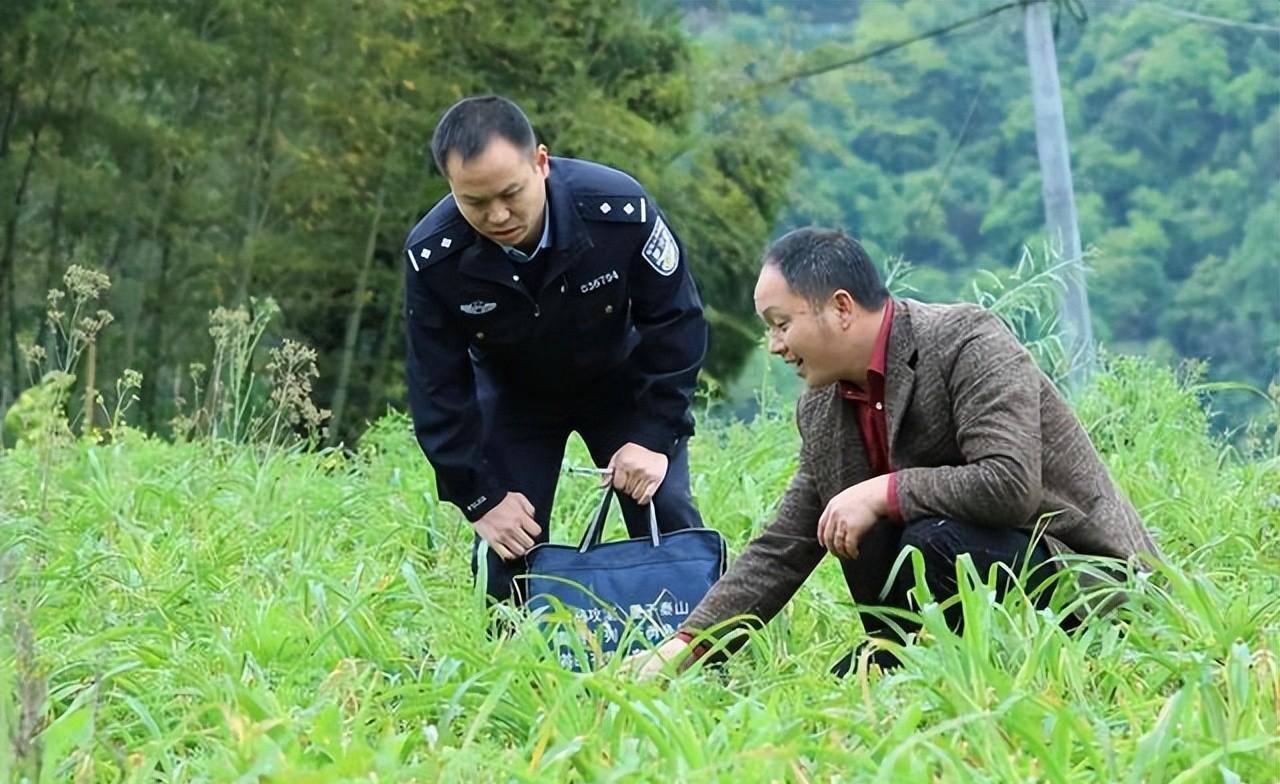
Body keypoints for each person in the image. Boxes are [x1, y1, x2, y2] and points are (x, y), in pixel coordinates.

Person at [634, 227, 1161, 675]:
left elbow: (1009, 484)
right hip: (942, 603)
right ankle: (904, 664)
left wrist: (884, 491)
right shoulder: (822, 408)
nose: (774, 346)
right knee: (843, 691)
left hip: (1087, 589)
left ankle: (953, 676)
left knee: (932, 537)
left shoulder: (966, 342)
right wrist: (681, 648)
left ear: (841, 308)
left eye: (781, 324)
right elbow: (785, 544)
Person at [403, 95, 708, 601]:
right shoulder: (434, 257)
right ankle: (508, 666)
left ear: (540, 163)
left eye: (511, 193)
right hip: (515, 395)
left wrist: (655, 436)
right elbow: (436, 386)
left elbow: (677, 321)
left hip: (621, 384)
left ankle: (699, 653)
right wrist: (478, 498)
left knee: (666, 514)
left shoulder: (618, 210)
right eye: (474, 202)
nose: (498, 215)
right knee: (508, 544)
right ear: (451, 189)